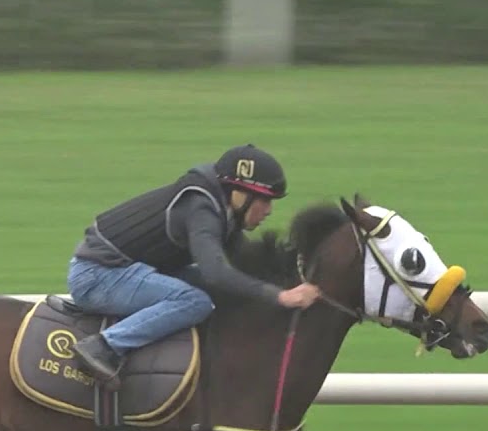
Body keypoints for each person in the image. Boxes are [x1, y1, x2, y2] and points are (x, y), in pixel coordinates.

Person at [66, 144, 321, 389]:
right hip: (98, 274)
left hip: (131, 268)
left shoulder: (222, 207)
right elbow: (215, 272)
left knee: (223, 291)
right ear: (239, 194)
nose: (268, 210)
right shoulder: (201, 209)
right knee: (195, 301)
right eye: (264, 200)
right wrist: (280, 296)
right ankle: (103, 347)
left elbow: (244, 264)